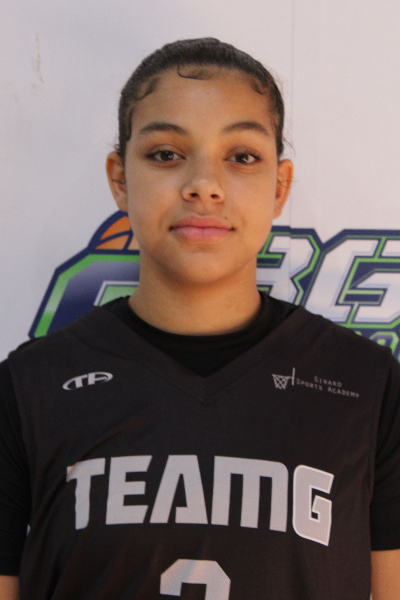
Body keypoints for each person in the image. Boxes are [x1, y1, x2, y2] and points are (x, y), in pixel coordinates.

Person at [0, 37, 400, 600]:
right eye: (166, 154)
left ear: (280, 186)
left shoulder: (367, 385)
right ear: (120, 178)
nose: (204, 185)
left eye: (242, 157)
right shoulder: (31, 387)